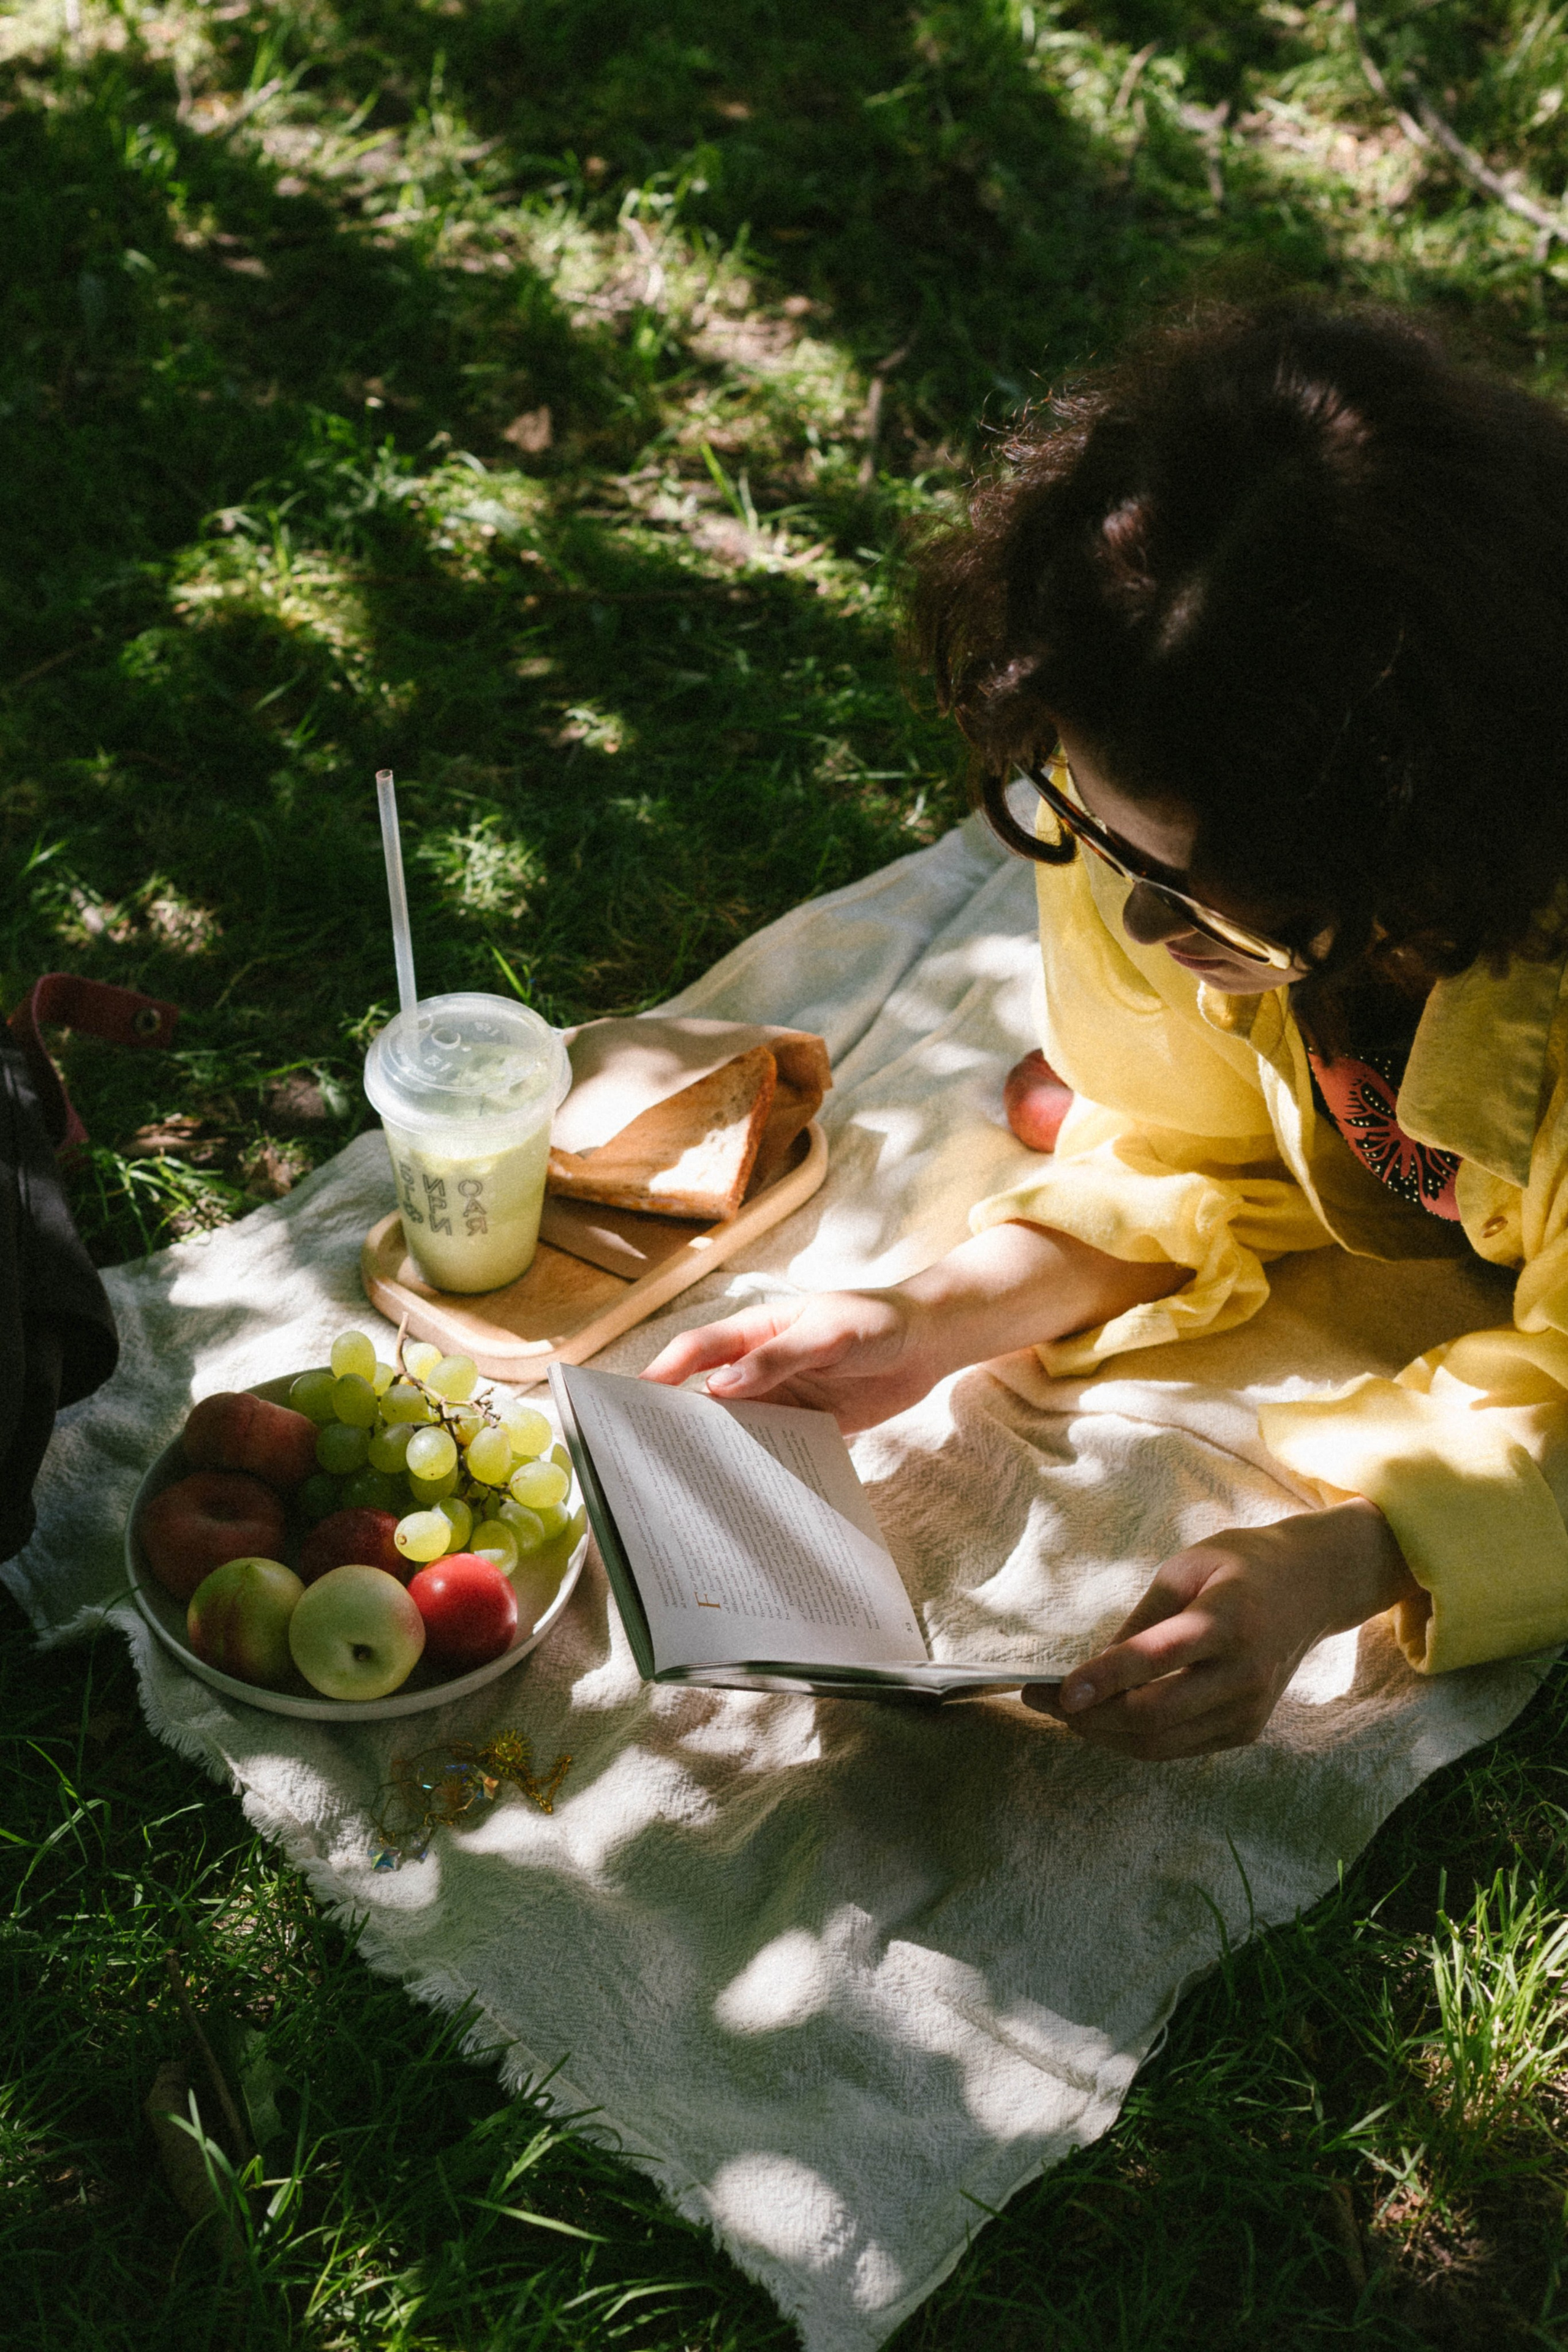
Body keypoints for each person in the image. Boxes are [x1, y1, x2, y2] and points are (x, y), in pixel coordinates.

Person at [644, 298, 1568, 1760]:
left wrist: (1355, 1555)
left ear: (1424, 847)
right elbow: (1187, 1141)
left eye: (1204, 889)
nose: (1139, 926)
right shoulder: (1141, 796)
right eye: (1104, 836)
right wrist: (936, 1317)